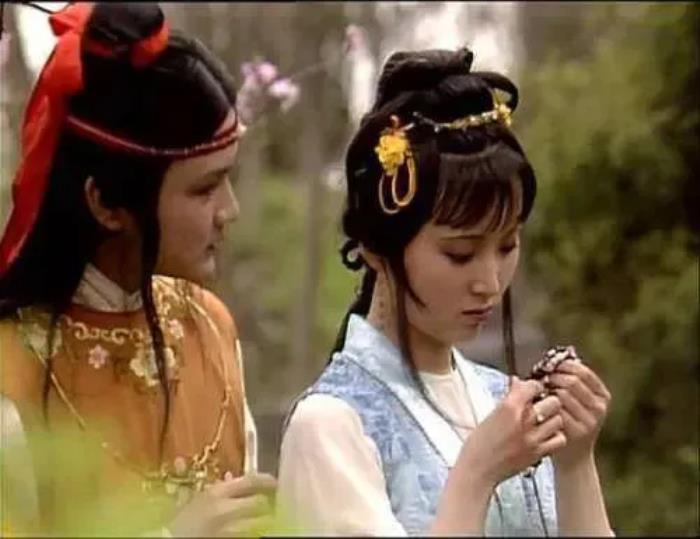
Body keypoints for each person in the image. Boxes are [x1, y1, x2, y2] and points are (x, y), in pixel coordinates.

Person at [277, 47, 614, 536]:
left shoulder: (502, 401)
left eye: (507, 246)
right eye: (460, 254)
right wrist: (475, 476)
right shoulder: (331, 426)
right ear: (377, 250)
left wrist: (575, 463)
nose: (490, 282)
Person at [0, 3, 275, 536]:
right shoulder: (12, 371)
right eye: (203, 189)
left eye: (228, 178)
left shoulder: (210, 328)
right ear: (105, 202)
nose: (230, 210)